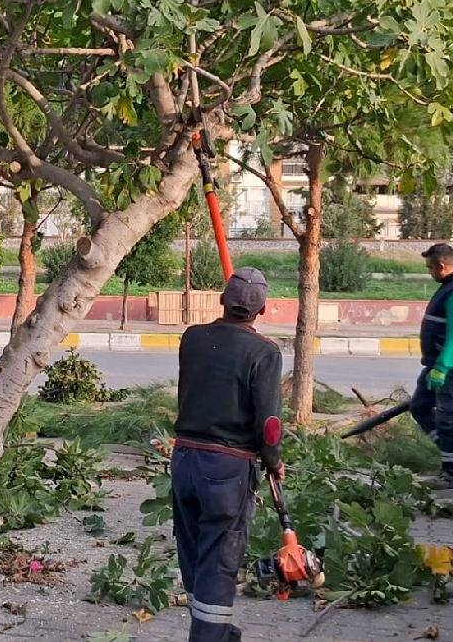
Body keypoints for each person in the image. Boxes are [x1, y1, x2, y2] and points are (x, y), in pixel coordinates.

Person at [172, 266, 284, 642]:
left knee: (193, 549)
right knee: (220, 557)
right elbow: (268, 423)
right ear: (263, 310)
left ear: (222, 299)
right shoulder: (265, 352)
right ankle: (208, 635)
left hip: (185, 460)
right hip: (226, 468)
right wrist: (273, 460)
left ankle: (215, 630)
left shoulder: (192, 338)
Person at [410, 243, 453, 490]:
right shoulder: (451, 285)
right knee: (419, 407)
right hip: (437, 364)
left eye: (430, 268)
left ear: (441, 266)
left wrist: (443, 367)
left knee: (448, 418)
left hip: (450, 367)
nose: (430, 273)